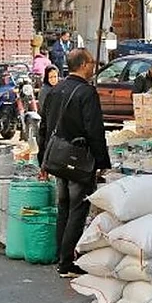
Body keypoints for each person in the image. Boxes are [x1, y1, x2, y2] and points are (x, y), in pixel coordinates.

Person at [38, 48, 111, 278]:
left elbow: (44, 127)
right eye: (91, 62)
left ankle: (61, 256)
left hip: (57, 158)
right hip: (78, 160)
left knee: (64, 208)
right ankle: (67, 263)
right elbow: (94, 130)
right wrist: (101, 161)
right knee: (78, 210)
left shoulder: (55, 89)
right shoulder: (86, 93)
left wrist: (43, 158)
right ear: (83, 64)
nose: (93, 66)